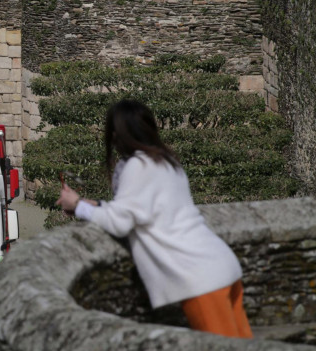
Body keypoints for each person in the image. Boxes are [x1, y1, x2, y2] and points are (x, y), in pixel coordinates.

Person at [56, 99, 253, 338]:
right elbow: (138, 209)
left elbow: (121, 222)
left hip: (200, 278)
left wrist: (77, 206)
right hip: (219, 264)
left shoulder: (138, 165)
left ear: (117, 134)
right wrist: (96, 205)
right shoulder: (166, 161)